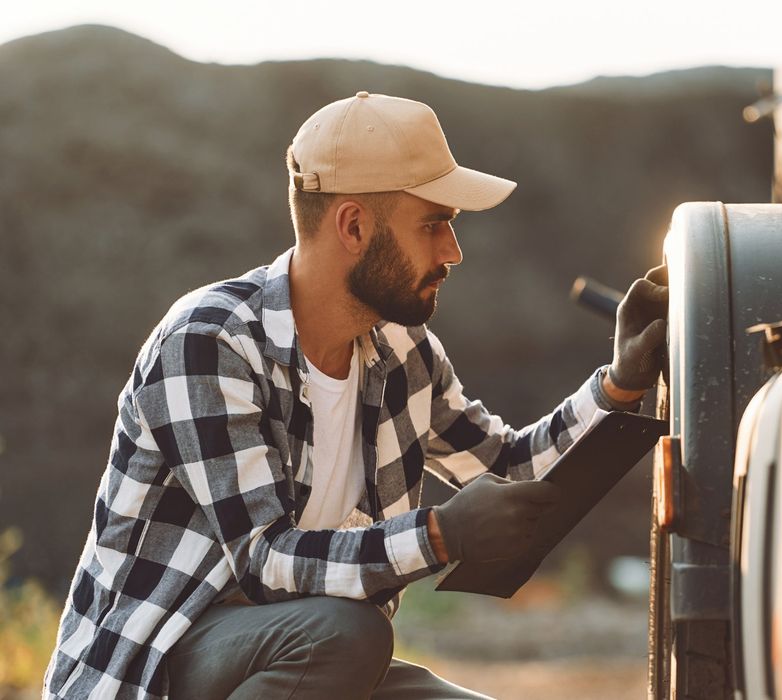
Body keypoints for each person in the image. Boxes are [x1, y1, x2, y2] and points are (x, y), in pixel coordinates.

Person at [43, 91, 669, 699]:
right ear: (352, 225)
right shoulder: (210, 343)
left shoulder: (402, 351)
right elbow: (264, 560)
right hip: (152, 672)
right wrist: (442, 535)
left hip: (311, 661)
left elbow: (509, 470)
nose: (453, 252)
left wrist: (619, 384)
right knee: (346, 632)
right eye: (434, 226)